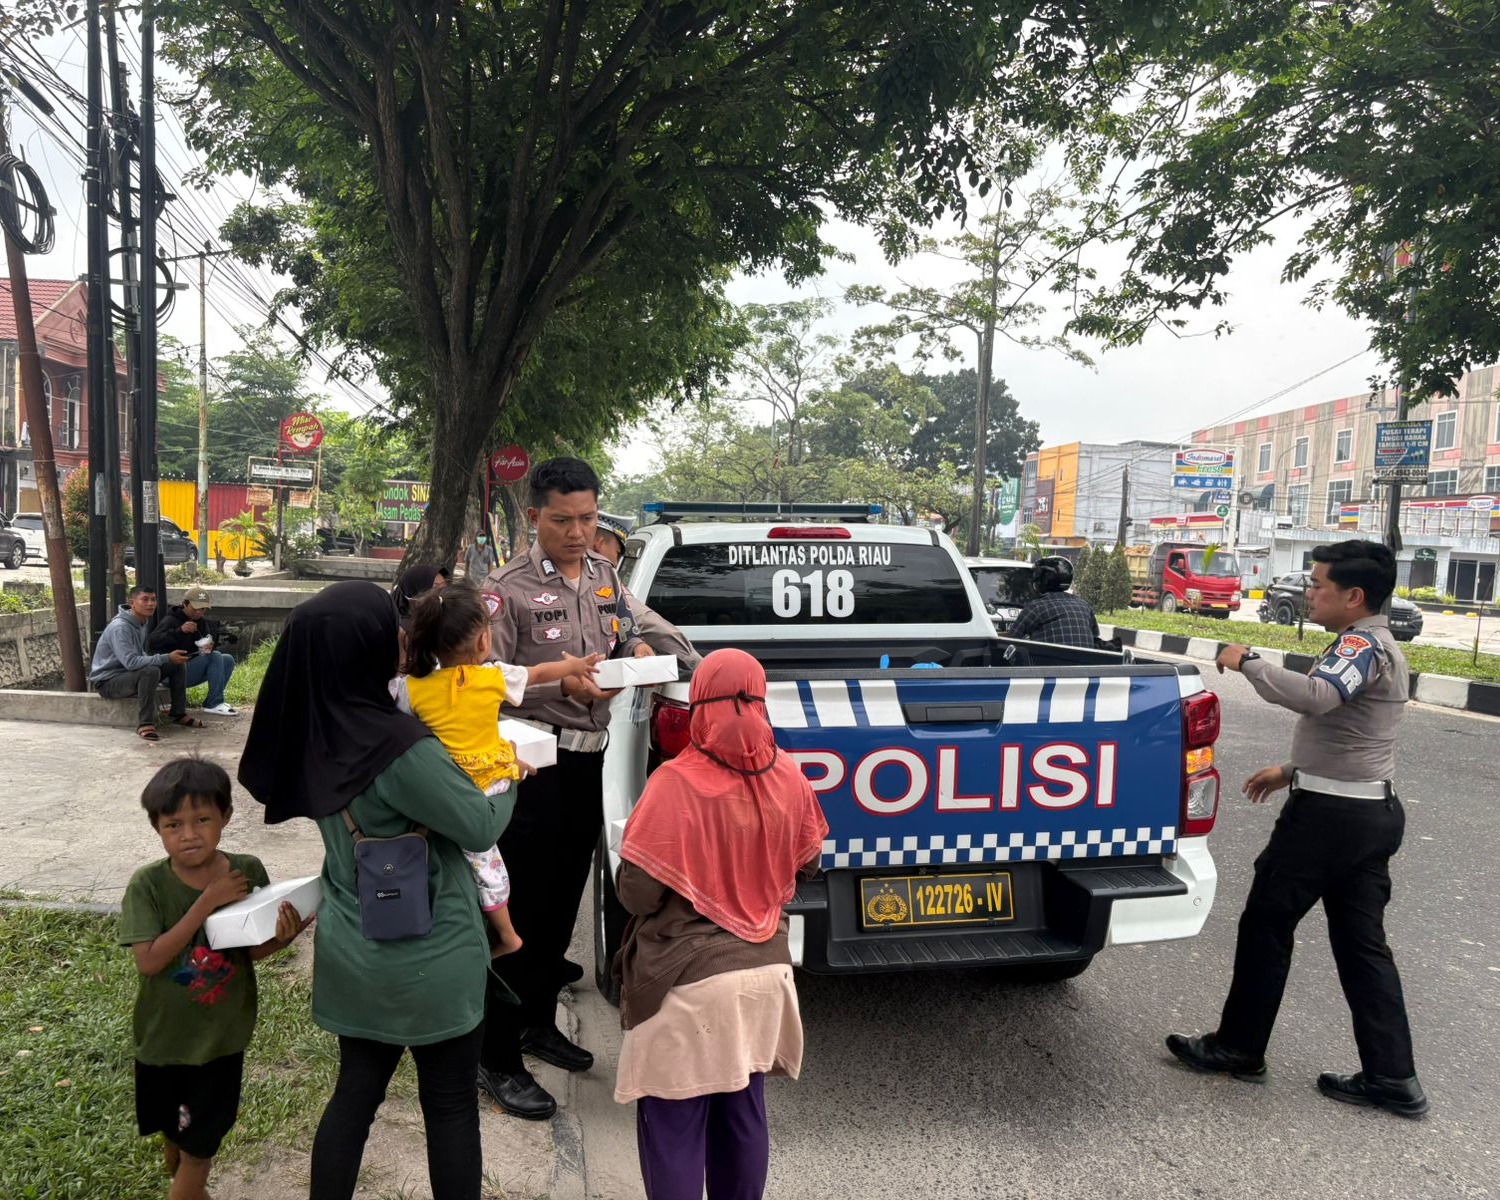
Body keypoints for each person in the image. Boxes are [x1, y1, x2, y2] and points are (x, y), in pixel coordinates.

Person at [239, 581, 515, 1199]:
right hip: (433, 957)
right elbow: (479, 823)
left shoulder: (312, 732)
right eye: (386, 623)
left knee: (353, 1101)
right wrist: (509, 773)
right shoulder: (398, 747)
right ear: (359, 645)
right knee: (448, 1108)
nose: (399, 633)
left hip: (355, 953)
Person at [1167, 540, 1427, 1118]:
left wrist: (1248, 660)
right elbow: (1362, 731)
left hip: (1328, 821)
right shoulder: (1382, 646)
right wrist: (1291, 771)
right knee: (1362, 947)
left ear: (1354, 596)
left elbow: (1317, 697)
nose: (1310, 591)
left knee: (1266, 924)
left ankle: (1238, 1048)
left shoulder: (1359, 643)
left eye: (1319, 584)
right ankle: (1392, 1077)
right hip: (1368, 813)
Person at [475, 457, 656, 1120]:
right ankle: (494, 1057)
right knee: (515, 914)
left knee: (562, 907)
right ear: (534, 518)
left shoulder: (607, 577)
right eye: (562, 520)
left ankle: (537, 1023)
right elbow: (486, 679)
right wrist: (561, 681)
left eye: (587, 518)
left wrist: (638, 655)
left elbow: (627, 632)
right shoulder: (504, 589)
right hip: (529, 770)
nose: (578, 532)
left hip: (588, 763)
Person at [613, 648, 828, 1199]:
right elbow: (808, 863)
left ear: (699, 703)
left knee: (673, 1127)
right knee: (743, 1111)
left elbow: (636, 894)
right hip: (767, 979)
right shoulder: (789, 774)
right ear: (761, 700)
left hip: (688, 988)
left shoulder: (675, 782)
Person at [119, 757, 311, 1200]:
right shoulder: (147, 885)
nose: (189, 834)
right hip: (162, 1042)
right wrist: (207, 902)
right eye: (173, 825)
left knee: (199, 1154)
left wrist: (286, 935)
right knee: (178, 1142)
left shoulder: (246, 872)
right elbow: (148, 961)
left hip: (220, 1043)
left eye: (202, 819)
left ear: (225, 816)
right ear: (157, 828)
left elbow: (250, 951)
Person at [396, 582, 601, 958]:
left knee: (463, 856)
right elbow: (538, 673)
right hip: (489, 781)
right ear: (481, 642)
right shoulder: (492, 677)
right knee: (486, 862)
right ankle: (508, 936)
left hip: (447, 785)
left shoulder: (412, 688)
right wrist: (573, 665)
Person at [593, 512, 703, 670]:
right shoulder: (599, 582)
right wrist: (698, 664)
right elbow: (644, 621)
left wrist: (636, 645)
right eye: (617, 553)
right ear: (599, 545)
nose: (617, 563)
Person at [90, 584, 197, 742]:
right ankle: (145, 723)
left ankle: (178, 712)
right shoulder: (120, 628)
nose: (150, 604)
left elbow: (140, 655)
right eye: (145, 599)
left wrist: (168, 659)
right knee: (151, 670)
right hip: (107, 682)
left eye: (153, 600)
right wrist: (165, 657)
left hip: (126, 675)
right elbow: (132, 662)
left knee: (176, 663)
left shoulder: (141, 622)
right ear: (132, 602)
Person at [149, 586, 239, 716]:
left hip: (191, 666)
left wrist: (209, 646)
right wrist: (180, 631)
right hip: (171, 674)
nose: (199, 612)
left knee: (227, 659)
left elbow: (207, 645)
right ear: (185, 604)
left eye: (202, 609)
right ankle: (215, 703)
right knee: (215, 656)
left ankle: (212, 701)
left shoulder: (201, 622)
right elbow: (153, 641)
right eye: (195, 608)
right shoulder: (171, 619)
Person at [1005, 556, 1100, 648]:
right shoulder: (1083, 605)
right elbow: (1095, 637)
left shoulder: (1036, 607)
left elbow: (1011, 640)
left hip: (1049, 663)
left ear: (1043, 580)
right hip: (1085, 663)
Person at [391, 564, 450, 629]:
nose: (442, 593)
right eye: (436, 587)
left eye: (444, 588)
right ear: (415, 590)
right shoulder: (402, 629)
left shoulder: (445, 618)